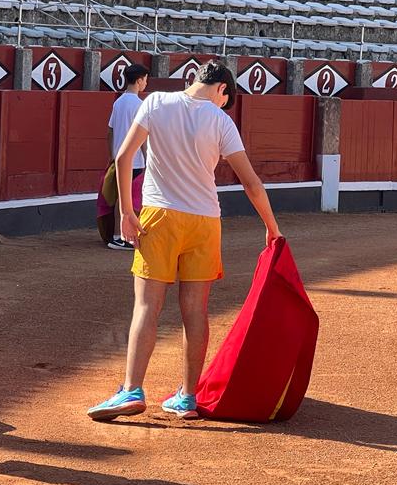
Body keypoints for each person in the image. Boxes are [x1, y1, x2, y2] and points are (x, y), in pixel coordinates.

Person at [88, 60, 282, 422]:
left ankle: (132, 389)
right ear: (222, 90)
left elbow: (124, 155)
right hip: (205, 221)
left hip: (159, 216)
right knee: (195, 310)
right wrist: (273, 228)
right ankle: (187, 397)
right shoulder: (222, 121)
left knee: (147, 306)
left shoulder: (157, 102)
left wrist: (128, 214)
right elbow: (252, 183)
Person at [102, 63, 150, 250]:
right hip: (136, 160)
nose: (146, 83)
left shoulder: (119, 102)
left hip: (118, 159)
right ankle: (126, 236)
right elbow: (144, 136)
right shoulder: (140, 105)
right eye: (145, 80)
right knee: (133, 198)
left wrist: (112, 155)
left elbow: (110, 132)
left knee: (121, 198)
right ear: (139, 81)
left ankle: (118, 235)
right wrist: (148, 159)